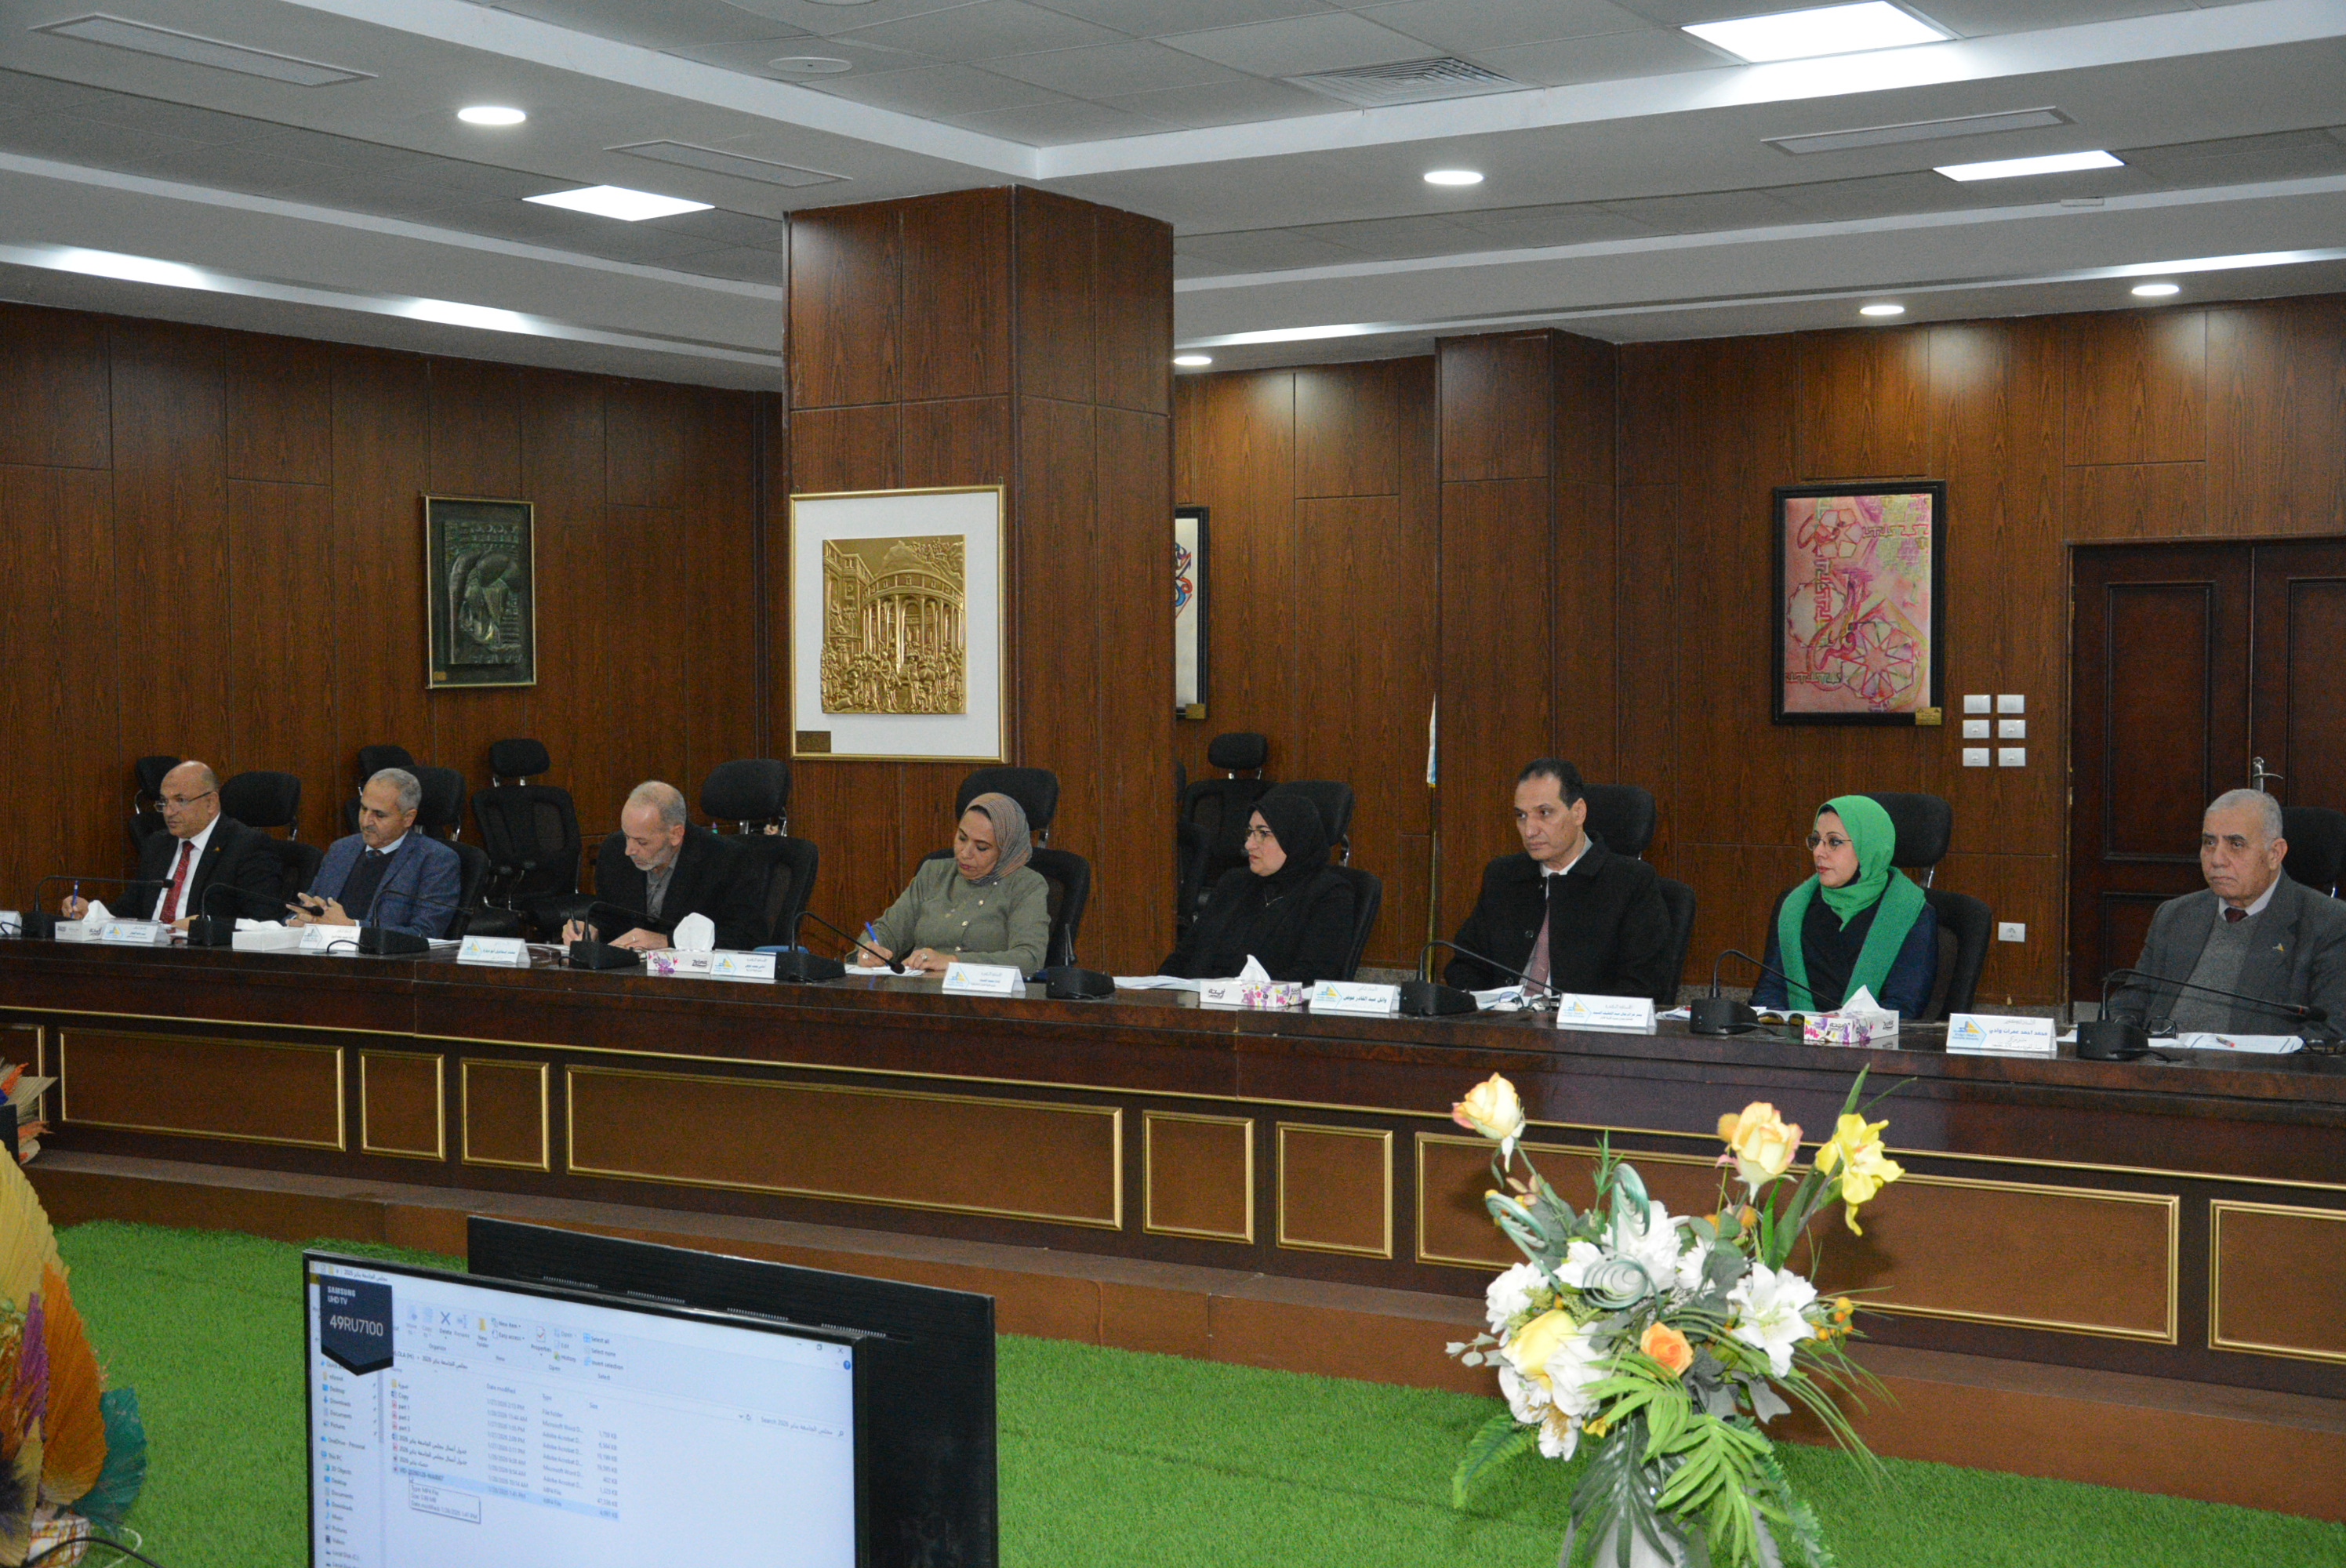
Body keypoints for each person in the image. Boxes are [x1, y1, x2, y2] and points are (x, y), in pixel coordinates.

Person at [2108, 789, 2346, 1035]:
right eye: (2209, 843)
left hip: (2256, 1061)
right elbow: (2130, 1002)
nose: (2217, 859)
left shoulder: (2329, 923)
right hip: (2159, 1056)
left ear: (2275, 854)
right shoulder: (2175, 915)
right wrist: (2122, 1032)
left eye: (2236, 844)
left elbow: (2332, 1029)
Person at [1444, 759, 1676, 1003]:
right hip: (1503, 1020)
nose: (1529, 830)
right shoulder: (1503, 876)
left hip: (1584, 1025)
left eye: (1544, 813)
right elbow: (1465, 965)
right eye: (1521, 815)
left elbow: (1644, 984)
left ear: (1578, 812)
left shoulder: (1631, 882)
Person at [1752, 795, 1938, 1020]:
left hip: (1872, 1039)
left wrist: (1837, 1030)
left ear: (1867, 846)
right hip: (1795, 1037)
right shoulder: (1795, 906)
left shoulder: (1910, 912)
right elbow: (1769, 990)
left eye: (1834, 842)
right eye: (1816, 840)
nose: (1818, 852)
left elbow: (1902, 1007)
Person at [1160, 787, 1356, 984]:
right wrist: (1159, 988)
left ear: (1295, 836)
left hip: (1263, 1003)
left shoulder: (1330, 895)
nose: (1249, 845)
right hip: (1197, 997)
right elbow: (1185, 955)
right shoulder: (1233, 883)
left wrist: (1233, 994)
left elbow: (1312, 976)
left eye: (1263, 834)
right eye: (1250, 832)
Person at [62, 760, 277, 928]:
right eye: (164, 801)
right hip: (150, 957)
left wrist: (203, 925)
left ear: (211, 802)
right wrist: (90, 913)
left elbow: (265, 922)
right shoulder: (157, 844)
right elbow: (129, 909)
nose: (169, 811)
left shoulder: (248, 846)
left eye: (180, 801)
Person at [564, 781, 766, 953]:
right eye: (626, 836)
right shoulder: (614, 850)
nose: (629, 850)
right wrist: (590, 928)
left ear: (676, 834)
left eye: (642, 842)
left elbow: (746, 937)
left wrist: (667, 942)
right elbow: (608, 916)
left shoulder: (727, 860)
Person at [864, 793, 1049, 975]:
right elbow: (887, 931)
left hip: (985, 992)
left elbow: (1030, 959)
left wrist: (953, 962)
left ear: (1006, 851)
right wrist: (869, 950)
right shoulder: (933, 873)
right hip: (921, 989)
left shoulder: (1026, 885)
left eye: (982, 847)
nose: (965, 853)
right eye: (962, 838)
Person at [289, 768, 462, 938]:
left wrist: (351, 928)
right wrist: (301, 919)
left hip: (382, 956)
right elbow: (306, 906)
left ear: (408, 818)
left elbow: (426, 933)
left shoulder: (435, 859)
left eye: (379, 815)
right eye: (364, 809)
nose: (365, 822)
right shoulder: (341, 850)